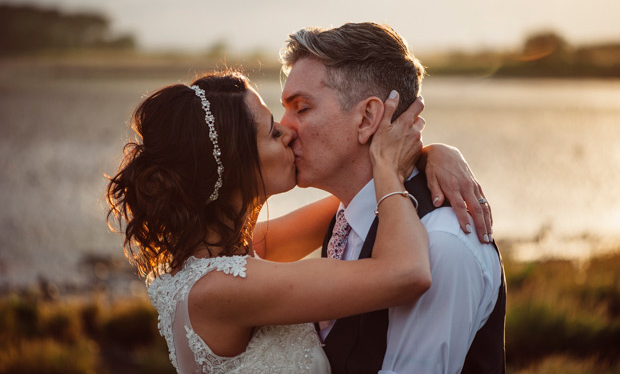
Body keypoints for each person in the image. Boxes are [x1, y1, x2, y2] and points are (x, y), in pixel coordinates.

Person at [106, 70, 483, 373]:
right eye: (271, 131)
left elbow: (356, 197)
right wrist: (387, 165)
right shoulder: (222, 289)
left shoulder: (227, 254)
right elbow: (406, 273)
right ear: (237, 167)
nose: (289, 132)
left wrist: (433, 154)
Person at [279, 22, 506, 373]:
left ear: (368, 117)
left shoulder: (441, 243)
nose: (284, 127)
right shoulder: (349, 216)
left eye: (301, 108)